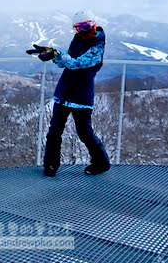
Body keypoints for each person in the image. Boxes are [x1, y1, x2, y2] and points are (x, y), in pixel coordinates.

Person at [27, 9, 111, 177]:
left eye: (85, 26)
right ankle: (51, 165)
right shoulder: (78, 40)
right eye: (78, 28)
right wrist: (53, 54)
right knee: (54, 131)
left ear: (94, 24)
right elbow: (66, 63)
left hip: (81, 95)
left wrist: (57, 53)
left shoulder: (97, 46)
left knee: (84, 132)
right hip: (65, 92)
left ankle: (101, 162)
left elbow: (77, 64)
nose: (82, 31)